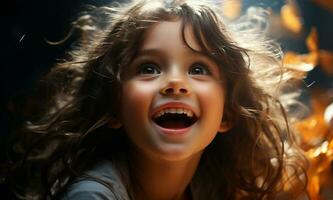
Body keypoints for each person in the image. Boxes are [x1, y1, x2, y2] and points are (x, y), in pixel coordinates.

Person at [3, 0, 309, 199]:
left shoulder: (212, 186)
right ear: (112, 105)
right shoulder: (90, 195)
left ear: (229, 112)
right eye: (149, 68)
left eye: (198, 69)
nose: (175, 82)